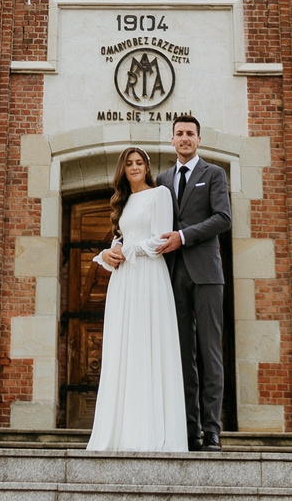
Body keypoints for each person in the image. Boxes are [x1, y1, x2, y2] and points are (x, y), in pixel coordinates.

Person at [84, 146, 184, 452]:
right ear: (123, 170)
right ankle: (120, 431)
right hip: (124, 281)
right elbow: (120, 239)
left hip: (148, 277)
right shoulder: (123, 203)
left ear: (147, 167)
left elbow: (161, 240)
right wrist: (106, 253)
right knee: (124, 349)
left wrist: (127, 251)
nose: (135, 167)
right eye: (129, 163)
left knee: (147, 345)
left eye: (140, 162)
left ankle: (150, 432)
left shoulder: (160, 195)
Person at [157, 114, 232, 450]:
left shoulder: (213, 174)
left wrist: (184, 237)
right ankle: (189, 430)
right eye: (179, 134)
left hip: (206, 274)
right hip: (173, 275)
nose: (184, 138)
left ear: (199, 139)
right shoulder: (162, 179)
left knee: (209, 352)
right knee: (182, 355)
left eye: (190, 134)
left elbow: (223, 218)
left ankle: (213, 429)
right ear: (172, 140)